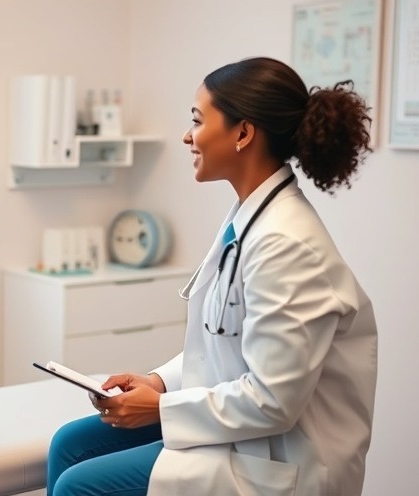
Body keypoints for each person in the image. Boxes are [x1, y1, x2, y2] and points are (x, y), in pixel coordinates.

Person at [46, 56, 378, 496]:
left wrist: (161, 407)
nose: (187, 136)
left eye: (198, 121)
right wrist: (158, 382)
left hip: (276, 459)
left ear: (242, 133)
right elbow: (220, 345)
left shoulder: (287, 243)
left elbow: (274, 402)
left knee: (78, 485)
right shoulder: (249, 219)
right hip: (237, 429)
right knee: (70, 445)